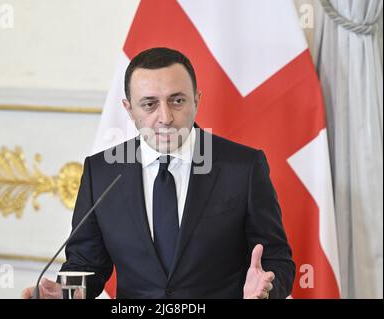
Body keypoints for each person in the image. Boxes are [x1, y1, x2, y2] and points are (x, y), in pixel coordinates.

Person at [22, 47, 295, 299]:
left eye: (177, 101)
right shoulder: (101, 172)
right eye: (149, 104)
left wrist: (266, 291)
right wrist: (66, 294)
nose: (165, 117)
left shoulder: (244, 167)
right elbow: (86, 263)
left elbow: (276, 260)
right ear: (129, 109)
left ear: (196, 100)